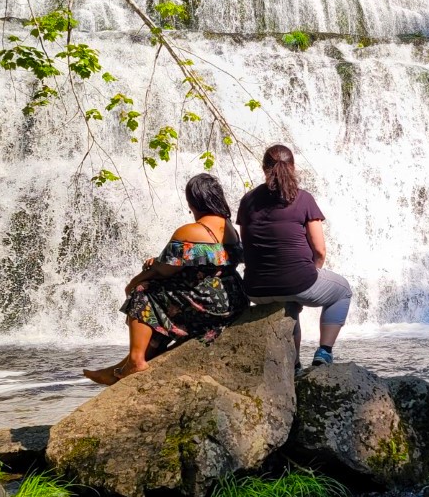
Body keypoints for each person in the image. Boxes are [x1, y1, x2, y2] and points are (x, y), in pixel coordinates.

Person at [84, 173, 248, 385]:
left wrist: (133, 283)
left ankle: (135, 361)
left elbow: (163, 271)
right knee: (167, 302)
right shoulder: (230, 229)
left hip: (208, 306)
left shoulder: (190, 230)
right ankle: (120, 368)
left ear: (193, 201)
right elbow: (208, 263)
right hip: (232, 299)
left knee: (143, 292)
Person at [236, 144, 352, 367]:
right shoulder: (302, 198)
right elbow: (319, 250)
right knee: (343, 291)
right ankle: (324, 351)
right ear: (293, 167)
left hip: (255, 289)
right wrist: (312, 272)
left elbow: (249, 245)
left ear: (264, 169)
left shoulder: (247, 200)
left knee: (289, 303)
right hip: (298, 283)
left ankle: (295, 365)